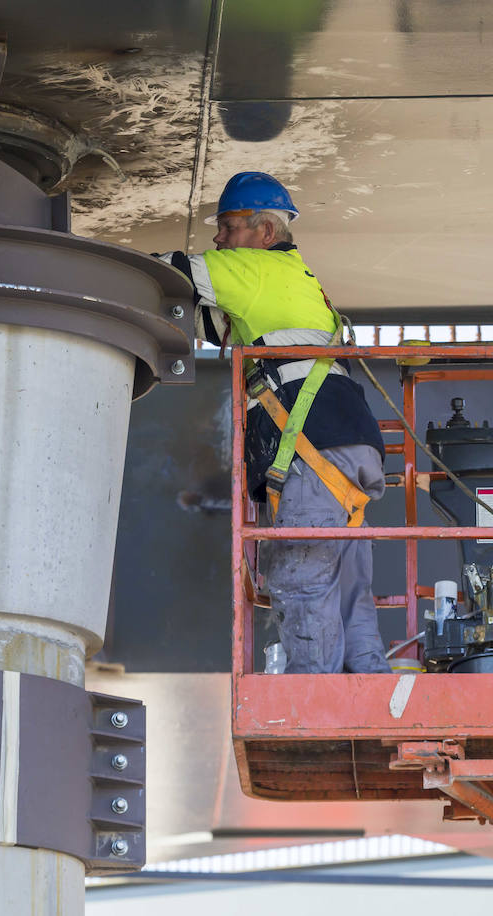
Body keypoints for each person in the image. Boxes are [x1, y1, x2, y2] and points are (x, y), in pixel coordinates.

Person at [157, 172, 390, 673]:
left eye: (227, 226)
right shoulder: (288, 282)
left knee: (303, 582)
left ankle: (312, 715)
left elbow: (163, 276)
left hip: (314, 451)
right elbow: (196, 318)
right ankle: (367, 710)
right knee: (348, 594)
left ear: (265, 233)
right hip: (345, 446)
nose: (218, 240)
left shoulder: (256, 268)